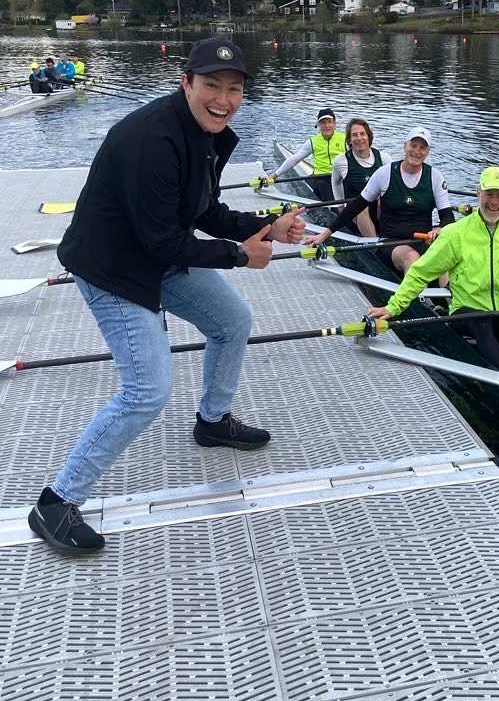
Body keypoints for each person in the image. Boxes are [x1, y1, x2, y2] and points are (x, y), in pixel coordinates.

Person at [27, 36, 306, 557]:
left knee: (232, 322)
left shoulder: (207, 134)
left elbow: (203, 210)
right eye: (211, 86)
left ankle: (212, 422)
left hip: (157, 253)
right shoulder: (152, 138)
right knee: (148, 388)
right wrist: (241, 255)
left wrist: (267, 224)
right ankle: (56, 501)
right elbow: (162, 240)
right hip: (113, 268)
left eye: (234, 89)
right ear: (186, 83)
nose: (223, 99)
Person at [366, 166, 499, 373]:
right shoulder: (456, 233)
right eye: (489, 194)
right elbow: (420, 273)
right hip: (465, 315)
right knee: (480, 319)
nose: (494, 202)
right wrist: (393, 307)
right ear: (478, 192)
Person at [304, 127, 454, 278]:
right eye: (413, 145)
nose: (417, 151)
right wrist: (325, 235)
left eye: (422, 147)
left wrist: (441, 228)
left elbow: (448, 216)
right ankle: (410, 300)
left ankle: (448, 299)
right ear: (405, 146)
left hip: (423, 239)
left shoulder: (435, 177)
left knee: (448, 256)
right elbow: (357, 205)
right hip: (391, 242)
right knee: (411, 258)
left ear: (428, 151)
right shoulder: (385, 173)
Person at [330, 117, 391, 236]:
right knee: (362, 206)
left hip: (378, 211)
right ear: (349, 140)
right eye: (354, 135)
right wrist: (340, 206)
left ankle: (388, 235)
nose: (359, 138)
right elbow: (336, 183)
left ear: (368, 137)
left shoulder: (384, 158)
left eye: (362, 134)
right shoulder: (342, 161)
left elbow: (394, 185)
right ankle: (375, 248)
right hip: (354, 213)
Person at [270, 107, 346, 201]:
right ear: (318, 125)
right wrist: (274, 175)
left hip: (340, 176)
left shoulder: (345, 139)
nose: (327, 125)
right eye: (323, 122)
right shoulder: (312, 142)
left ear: (334, 124)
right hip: (321, 178)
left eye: (329, 122)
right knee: (323, 186)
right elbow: (294, 160)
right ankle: (333, 209)